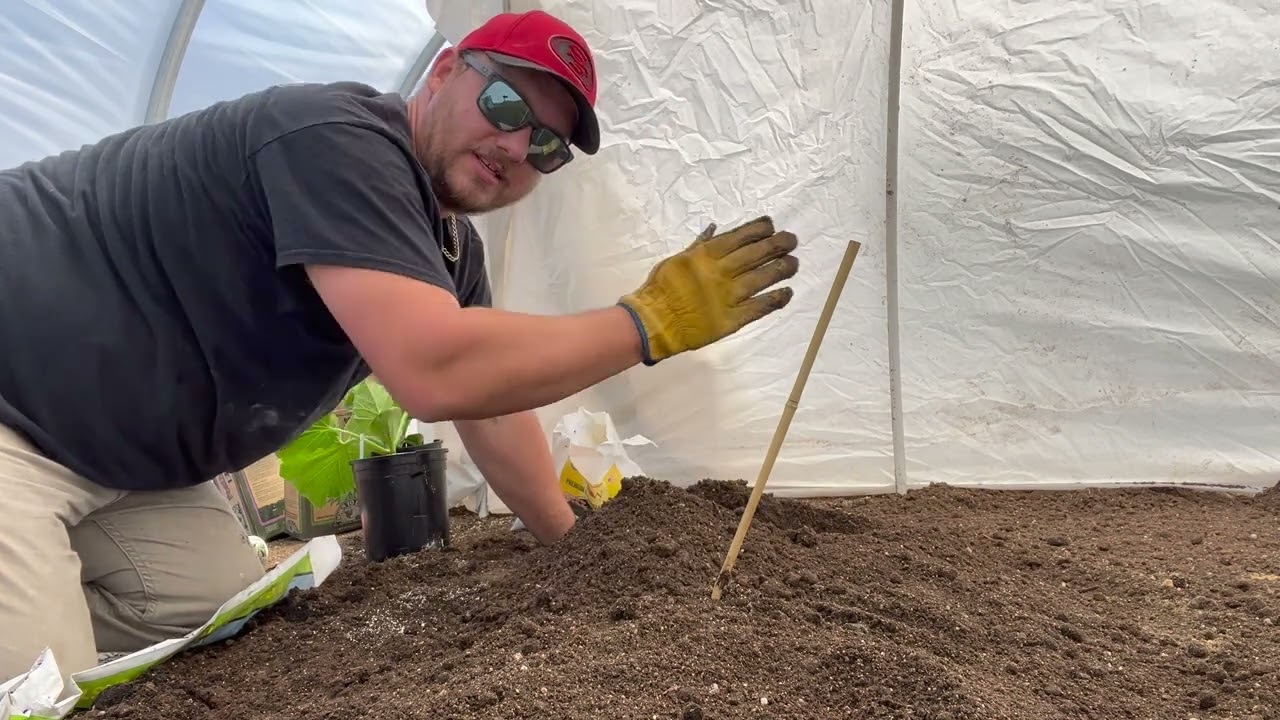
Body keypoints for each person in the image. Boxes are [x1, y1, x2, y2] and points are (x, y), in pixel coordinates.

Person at [0, 9, 799, 684]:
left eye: (547, 147)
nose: (517, 147)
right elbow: (436, 368)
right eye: (505, 104)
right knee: (42, 688)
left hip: (122, 463)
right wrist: (645, 323)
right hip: (17, 408)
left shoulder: (451, 251)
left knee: (214, 607)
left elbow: (492, 409)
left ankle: (41, 596)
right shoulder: (334, 140)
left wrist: (574, 546)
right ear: (443, 72)